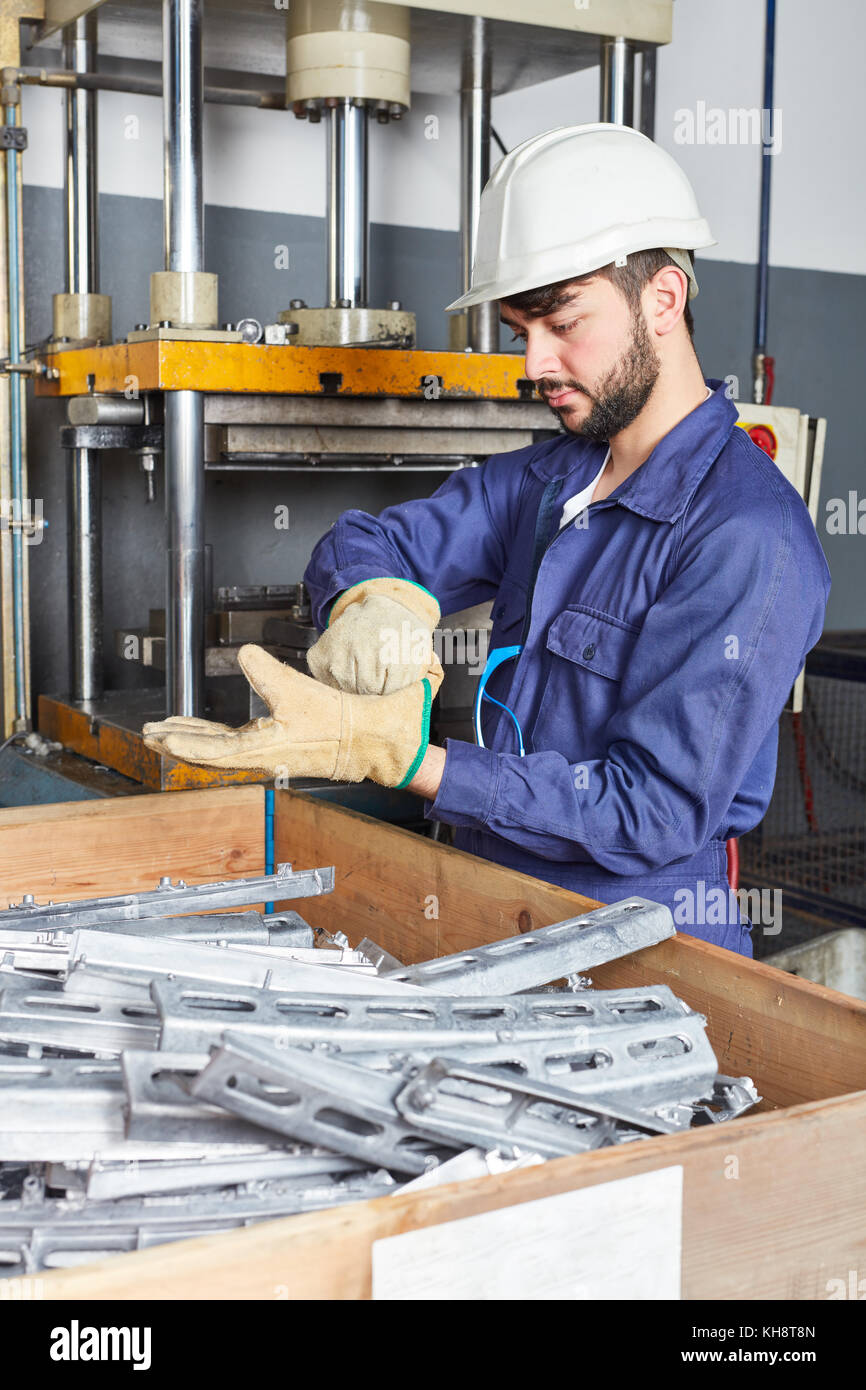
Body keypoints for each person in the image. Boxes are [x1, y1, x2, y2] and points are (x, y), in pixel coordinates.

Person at [144, 124, 830, 955]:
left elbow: (649, 811)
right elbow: (368, 540)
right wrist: (372, 599)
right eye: (519, 331)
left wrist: (408, 761)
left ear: (664, 301)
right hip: (485, 908)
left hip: (639, 950)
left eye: (562, 324)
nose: (534, 364)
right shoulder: (547, 483)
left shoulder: (748, 537)